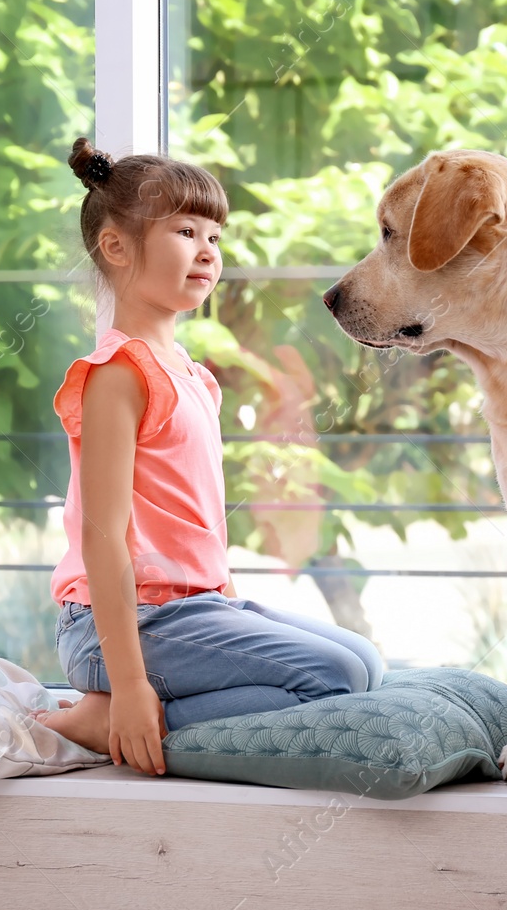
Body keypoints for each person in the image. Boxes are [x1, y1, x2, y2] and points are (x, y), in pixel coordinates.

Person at [31, 138, 385, 776]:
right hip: (123, 622)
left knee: (364, 663)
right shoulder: (117, 373)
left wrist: (229, 615)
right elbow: (103, 535)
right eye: (186, 231)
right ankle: (112, 713)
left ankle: (128, 703)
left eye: (215, 237)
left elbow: (190, 529)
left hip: (194, 608)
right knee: (332, 678)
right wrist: (132, 686)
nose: (207, 252)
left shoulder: (194, 377)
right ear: (116, 247)